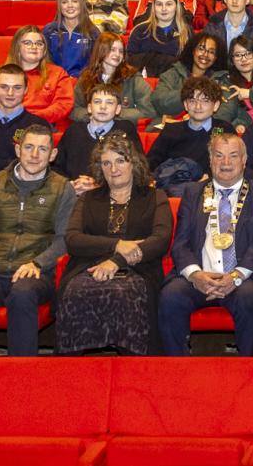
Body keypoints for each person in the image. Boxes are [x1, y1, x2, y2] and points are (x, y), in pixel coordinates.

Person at [0, 124, 76, 356]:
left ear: (53, 155)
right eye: (29, 147)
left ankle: (20, 371)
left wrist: (37, 263)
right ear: (18, 150)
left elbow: (64, 239)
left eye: (42, 149)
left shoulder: (62, 188)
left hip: (36, 273)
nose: (35, 155)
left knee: (22, 294)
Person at [158, 132, 253, 356]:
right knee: (171, 296)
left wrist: (236, 276)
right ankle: (177, 371)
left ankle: (250, 371)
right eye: (219, 155)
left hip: (241, 278)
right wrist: (195, 275)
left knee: (249, 299)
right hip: (199, 276)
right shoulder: (193, 193)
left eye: (233, 156)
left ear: (244, 160)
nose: (225, 163)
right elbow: (180, 243)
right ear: (210, 159)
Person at [56, 134, 171, 355]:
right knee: (76, 291)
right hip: (87, 267)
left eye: (120, 161)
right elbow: (73, 239)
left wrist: (117, 261)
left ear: (133, 163)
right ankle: (71, 371)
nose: (113, 169)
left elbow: (160, 240)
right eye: (106, 163)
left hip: (139, 269)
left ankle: (133, 368)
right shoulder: (88, 198)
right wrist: (117, 245)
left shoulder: (154, 196)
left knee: (125, 292)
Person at [147, 77, 238, 193]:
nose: (198, 107)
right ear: (185, 105)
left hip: (212, 190)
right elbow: (151, 162)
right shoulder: (171, 130)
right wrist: (150, 180)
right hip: (174, 188)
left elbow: (235, 164)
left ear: (215, 105)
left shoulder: (225, 129)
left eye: (205, 101)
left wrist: (211, 179)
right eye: (192, 101)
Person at [0, 26, 76, 127]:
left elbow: (63, 105)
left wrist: (29, 118)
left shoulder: (57, 73)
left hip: (40, 125)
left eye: (39, 44)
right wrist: (6, 114)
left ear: (44, 50)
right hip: (3, 123)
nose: (34, 47)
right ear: (17, 47)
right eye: (27, 43)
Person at [54, 82, 140, 183]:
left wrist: (96, 185)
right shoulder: (74, 131)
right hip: (73, 191)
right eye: (97, 102)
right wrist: (70, 185)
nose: (103, 107)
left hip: (110, 193)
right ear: (89, 108)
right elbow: (56, 167)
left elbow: (137, 167)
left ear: (118, 109)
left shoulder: (125, 130)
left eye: (109, 103)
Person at [71, 32, 156, 125]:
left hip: (122, 130)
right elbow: (74, 110)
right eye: (112, 49)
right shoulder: (86, 78)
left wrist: (114, 113)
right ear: (101, 51)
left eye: (121, 51)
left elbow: (149, 110)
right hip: (92, 128)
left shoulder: (133, 77)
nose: (117, 54)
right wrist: (92, 115)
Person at [153, 34, 232, 123]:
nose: (205, 54)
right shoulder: (174, 73)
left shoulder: (223, 79)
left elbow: (227, 111)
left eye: (211, 52)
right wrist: (192, 90)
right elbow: (159, 102)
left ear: (216, 58)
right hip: (170, 125)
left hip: (210, 129)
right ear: (193, 51)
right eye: (201, 49)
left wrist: (199, 119)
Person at [127, 0, 194, 77]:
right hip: (143, 83)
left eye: (169, 4)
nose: (163, 8)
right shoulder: (139, 31)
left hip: (176, 84)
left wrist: (149, 57)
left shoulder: (187, 32)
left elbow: (188, 65)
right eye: (159, 4)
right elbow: (131, 63)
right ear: (153, 7)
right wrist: (171, 60)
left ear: (176, 6)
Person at [44, 0, 100, 76]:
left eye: (74, 1)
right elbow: (45, 62)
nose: (70, 6)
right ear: (59, 6)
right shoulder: (49, 31)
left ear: (81, 4)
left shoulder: (93, 32)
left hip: (82, 84)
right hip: (55, 82)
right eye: (64, 2)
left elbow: (95, 64)